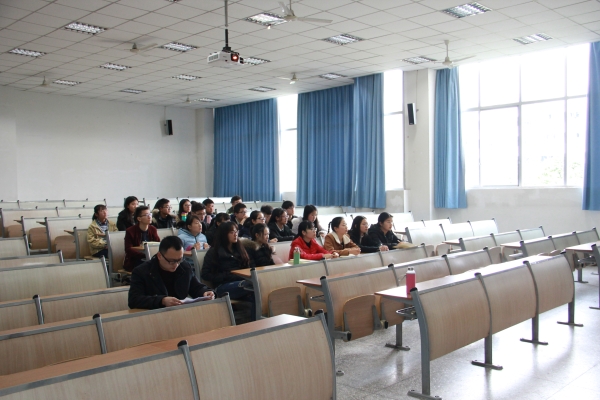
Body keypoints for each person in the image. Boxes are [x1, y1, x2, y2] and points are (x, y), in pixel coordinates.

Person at [128, 236, 215, 310]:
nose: (176, 264)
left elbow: (195, 287)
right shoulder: (142, 272)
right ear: (159, 256)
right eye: (172, 261)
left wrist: (205, 292)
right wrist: (162, 301)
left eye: (179, 260)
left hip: (179, 312)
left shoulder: (184, 267)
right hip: (154, 315)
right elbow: (134, 300)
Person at [201, 222, 256, 320]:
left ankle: (256, 323)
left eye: (236, 231)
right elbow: (205, 274)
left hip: (241, 284)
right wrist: (228, 275)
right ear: (224, 234)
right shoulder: (214, 252)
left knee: (258, 295)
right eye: (231, 232)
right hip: (222, 287)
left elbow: (250, 266)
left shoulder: (240, 249)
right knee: (250, 285)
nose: (235, 234)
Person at [124, 206, 161, 272]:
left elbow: (158, 244)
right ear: (139, 218)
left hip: (151, 257)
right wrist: (145, 255)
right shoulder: (130, 231)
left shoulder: (153, 229)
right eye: (146, 215)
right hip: (136, 260)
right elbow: (128, 249)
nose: (149, 217)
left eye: (150, 214)